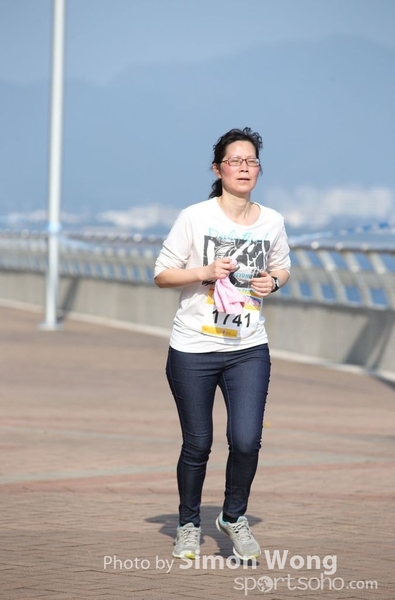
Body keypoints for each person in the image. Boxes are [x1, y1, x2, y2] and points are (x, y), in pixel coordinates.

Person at [154, 127, 291, 561]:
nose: (244, 168)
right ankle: (188, 524)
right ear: (218, 169)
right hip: (193, 347)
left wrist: (273, 282)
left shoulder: (272, 221)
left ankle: (233, 517)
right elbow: (162, 274)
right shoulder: (195, 217)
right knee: (198, 443)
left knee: (247, 440)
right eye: (235, 161)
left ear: (259, 169)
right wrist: (205, 272)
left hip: (248, 347)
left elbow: (282, 267)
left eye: (251, 161)